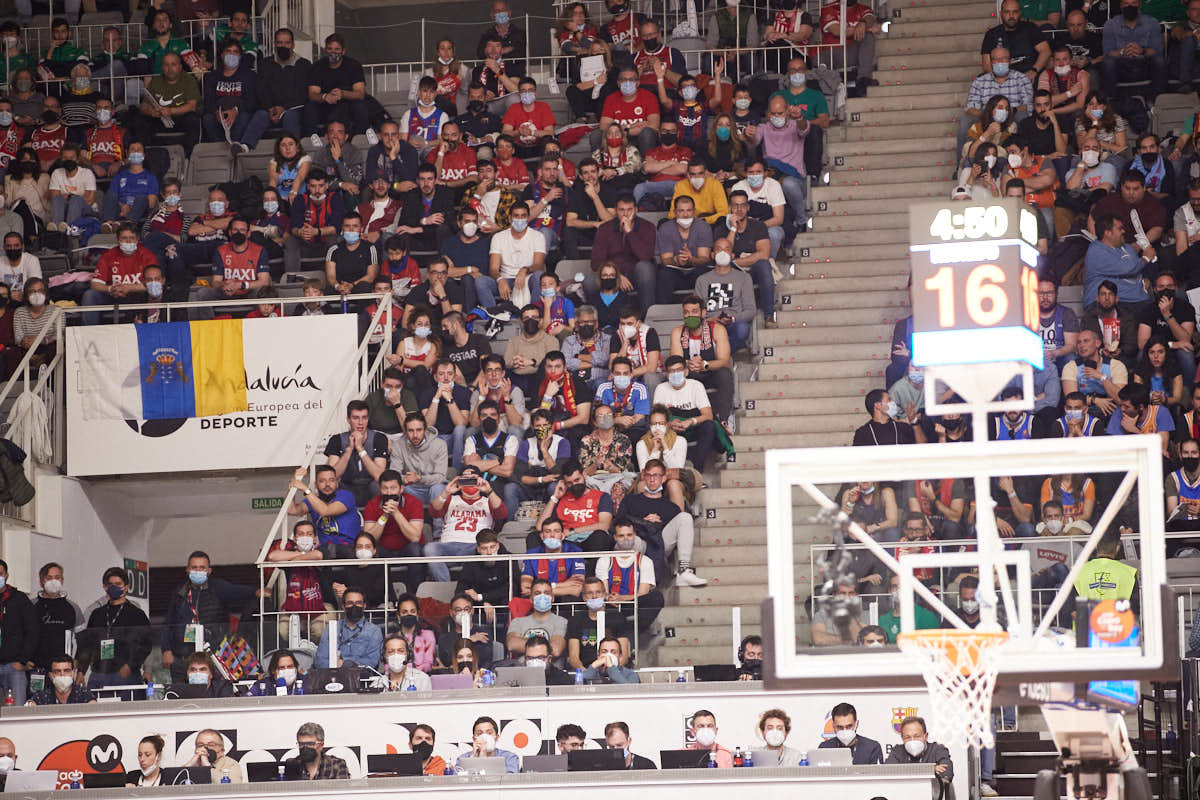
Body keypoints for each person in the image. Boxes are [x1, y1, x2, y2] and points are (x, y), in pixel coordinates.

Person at [160, 551, 249, 684]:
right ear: (187, 569)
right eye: (194, 567)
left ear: (209, 570)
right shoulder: (179, 593)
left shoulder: (218, 588)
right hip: (182, 659)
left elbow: (241, 592)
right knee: (182, 699)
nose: (198, 571)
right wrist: (166, 650)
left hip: (213, 658)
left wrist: (257, 592)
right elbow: (168, 624)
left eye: (202, 568)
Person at [621, 460, 705, 586]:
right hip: (638, 540)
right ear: (643, 476)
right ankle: (630, 581)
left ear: (664, 477)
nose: (652, 479)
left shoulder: (670, 507)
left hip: (660, 541)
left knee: (685, 517)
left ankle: (683, 571)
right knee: (630, 538)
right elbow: (619, 521)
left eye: (656, 475)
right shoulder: (630, 500)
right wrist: (643, 521)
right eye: (649, 475)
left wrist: (658, 522)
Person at [427, 468, 509, 582]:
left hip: (475, 547)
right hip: (449, 546)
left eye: (473, 480)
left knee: (490, 550)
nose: (469, 484)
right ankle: (444, 586)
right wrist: (446, 492)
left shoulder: (488, 501)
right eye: (465, 480)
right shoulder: (450, 499)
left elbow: (503, 514)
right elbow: (433, 512)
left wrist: (489, 491)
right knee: (430, 549)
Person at [80, 566, 152, 687]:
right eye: (110, 584)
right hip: (99, 673)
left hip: (126, 673)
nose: (114, 587)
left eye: (118, 584)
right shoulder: (97, 614)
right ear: (105, 587)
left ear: (126, 587)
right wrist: (81, 671)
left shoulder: (137, 614)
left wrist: (131, 665)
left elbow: (146, 644)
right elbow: (87, 644)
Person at [595, 518, 666, 629]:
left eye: (629, 535)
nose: (626, 539)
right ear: (615, 537)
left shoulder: (645, 561)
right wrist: (610, 598)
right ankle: (624, 625)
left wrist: (622, 598)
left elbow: (643, 593)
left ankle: (634, 627)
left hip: (634, 603)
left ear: (635, 536)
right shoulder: (605, 560)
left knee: (656, 597)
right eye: (621, 536)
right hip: (611, 605)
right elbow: (603, 592)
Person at [591, 194, 657, 312]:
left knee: (645, 267)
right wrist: (617, 275)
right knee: (588, 282)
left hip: (636, 275)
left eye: (629, 210)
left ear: (636, 210)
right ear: (616, 211)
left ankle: (647, 318)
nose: (625, 214)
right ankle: (599, 320)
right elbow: (596, 262)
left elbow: (646, 256)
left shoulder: (648, 227)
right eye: (622, 210)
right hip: (611, 274)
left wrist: (629, 232)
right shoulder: (605, 228)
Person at [203, 41, 270, 153]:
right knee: (207, 119)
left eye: (235, 52)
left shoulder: (250, 76)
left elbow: (252, 102)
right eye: (228, 51)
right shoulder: (211, 77)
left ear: (240, 56)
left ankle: (240, 147)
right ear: (222, 55)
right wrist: (217, 113)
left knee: (247, 116)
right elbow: (208, 102)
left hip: (241, 116)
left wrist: (235, 111)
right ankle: (221, 151)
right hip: (220, 117)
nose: (232, 55)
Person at [324, 399, 389, 508]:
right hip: (346, 486)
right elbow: (332, 477)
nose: (360, 422)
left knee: (380, 485)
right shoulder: (337, 440)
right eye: (355, 418)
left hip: (371, 486)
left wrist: (360, 448)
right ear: (348, 420)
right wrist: (349, 450)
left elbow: (379, 475)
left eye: (364, 418)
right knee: (330, 486)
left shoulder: (379, 438)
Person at [134, 52, 202, 156]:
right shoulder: (156, 81)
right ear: (162, 67)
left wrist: (171, 111)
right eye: (166, 65)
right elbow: (143, 106)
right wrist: (151, 111)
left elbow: (192, 106)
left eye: (173, 64)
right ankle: (142, 156)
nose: (170, 69)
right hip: (160, 119)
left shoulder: (189, 80)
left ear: (180, 67)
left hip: (180, 119)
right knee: (139, 120)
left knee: (193, 119)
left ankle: (189, 156)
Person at [305, 33, 369, 136]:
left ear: (343, 51)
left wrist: (342, 94)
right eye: (330, 49)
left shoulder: (354, 65)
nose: (333, 52)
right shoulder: (317, 67)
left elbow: (360, 93)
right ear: (325, 50)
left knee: (360, 105)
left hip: (347, 103)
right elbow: (312, 94)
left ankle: (361, 138)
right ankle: (312, 140)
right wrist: (324, 96)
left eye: (337, 49)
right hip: (325, 104)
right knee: (310, 106)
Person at [1102, 0, 1166, 95]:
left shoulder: (1152, 22)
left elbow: (1157, 50)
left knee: (1159, 61)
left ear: (1140, 4)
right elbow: (1107, 52)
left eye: (1134, 3)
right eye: (1126, 3)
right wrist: (1122, 52)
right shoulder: (1111, 24)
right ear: (1121, 6)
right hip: (1121, 67)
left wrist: (1142, 51)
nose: (1130, 6)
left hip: (1145, 66)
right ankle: (1111, 102)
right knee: (1108, 63)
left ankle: (1160, 100)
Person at [258, 28, 312, 138]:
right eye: (279, 43)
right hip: (270, 109)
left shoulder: (304, 65)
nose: (283, 46)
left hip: (294, 109)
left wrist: (284, 108)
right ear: (274, 44)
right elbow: (261, 90)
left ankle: (293, 151)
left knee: (290, 116)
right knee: (260, 115)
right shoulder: (265, 64)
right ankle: (244, 147)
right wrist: (271, 108)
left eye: (287, 43)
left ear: (293, 45)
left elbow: (302, 93)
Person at [886, 716, 954, 800]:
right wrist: (931, 770)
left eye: (917, 736)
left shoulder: (938, 749)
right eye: (907, 737)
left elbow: (947, 774)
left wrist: (904, 772)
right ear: (902, 738)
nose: (912, 740)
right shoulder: (897, 751)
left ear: (925, 736)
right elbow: (888, 773)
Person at [314, 587, 383, 668]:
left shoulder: (374, 631)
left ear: (364, 606)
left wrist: (344, 663)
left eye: (358, 603)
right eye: (350, 603)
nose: (354, 606)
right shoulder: (331, 628)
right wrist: (353, 663)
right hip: (333, 676)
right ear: (343, 606)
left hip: (361, 677)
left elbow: (372, 662)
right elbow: (320, 661)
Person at [519, 524, 586, 603]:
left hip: (565, 601)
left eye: (556, 531)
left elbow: (577, 588)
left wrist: (538, 592)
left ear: (562, 535)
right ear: (542, 536)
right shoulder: (532, 554)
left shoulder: (574, 551)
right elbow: (525, 588)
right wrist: (563, 585)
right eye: (548, 531)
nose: (552, 535)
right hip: (539, 602)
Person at [817, 702, 884, 763]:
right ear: (834, 726)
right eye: (840, 727)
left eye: (849, 726)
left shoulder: (872, 748)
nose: (844, 730)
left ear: (856, 724)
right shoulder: (824, 748)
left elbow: (877, 775)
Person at [367, 633, 432, 691]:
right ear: (384, 656)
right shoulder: (377, 684)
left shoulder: (422, 679)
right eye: (390, 651)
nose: (396, 655)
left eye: (401, 651)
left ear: (408, 654)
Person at [287, 722, 351, 780]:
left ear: (321, 745)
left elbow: (343, 791)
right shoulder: (292, 766)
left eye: (310, 744)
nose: (305, 748)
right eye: (301, 744)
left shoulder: (336, 765)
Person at [456, 716, 520, 774]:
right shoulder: (462, 759)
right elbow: (455, 781)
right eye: (479, 733)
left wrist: (483, 757)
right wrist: (472, 759)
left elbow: (511, 781)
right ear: (474, 739)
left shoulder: (509, 758)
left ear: (497, 737)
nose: (484, 737)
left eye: (489, 733)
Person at [26, 655, 95, 705]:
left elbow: (94, 708)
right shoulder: (41, 696)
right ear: (51, 675)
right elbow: (30, 707)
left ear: (73, 673)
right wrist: (30, 704)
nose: (62, 674)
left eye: (67, 671)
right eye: (57, 671)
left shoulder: (83, 694)